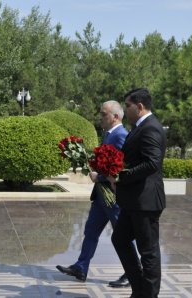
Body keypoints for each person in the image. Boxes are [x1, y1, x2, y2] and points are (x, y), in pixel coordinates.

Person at [56, 100, 137, 286]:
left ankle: (132, 273)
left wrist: (99, 176)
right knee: (90, 230)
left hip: (113, 196)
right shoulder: (108, 134)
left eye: (104, 114)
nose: (100, 117)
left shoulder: (121, 135)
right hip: (101, 196)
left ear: (116, 116)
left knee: (123, 235)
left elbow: (121, 167)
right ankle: (81, 267)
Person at [107, 88, 167, 298]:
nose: (126, 109)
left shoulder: (151, 128)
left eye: (128, 105)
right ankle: (139, 289)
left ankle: (148, 294)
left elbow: (151, 163)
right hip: (134, 200)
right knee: (120, 239)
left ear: (139, 107)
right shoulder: (138, 127)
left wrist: (122, 177)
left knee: (148, 252)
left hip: (146, 201)